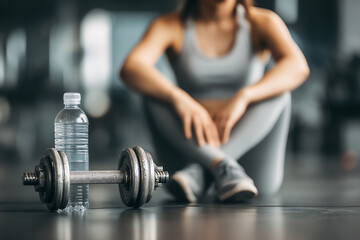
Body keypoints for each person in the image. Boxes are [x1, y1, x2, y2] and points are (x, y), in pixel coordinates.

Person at [120, 0, 309, 203]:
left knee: (279, 93)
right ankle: (215, 163)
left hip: (248, 174)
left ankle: (207, 169)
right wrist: (178, 97)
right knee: (154, 95)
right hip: (188, 156)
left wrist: (244, 97)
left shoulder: (262, 22)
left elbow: (297, 67)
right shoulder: (170, 25)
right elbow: (131, 67)